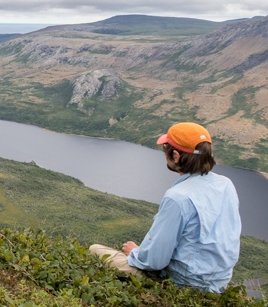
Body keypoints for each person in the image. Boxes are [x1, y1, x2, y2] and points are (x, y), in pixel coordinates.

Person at [90, 122, 241, 293]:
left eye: (165, 150)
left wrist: (135, 253)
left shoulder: (178, 197)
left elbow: (155, 261)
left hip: (184, 285)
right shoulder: (225, 184)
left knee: (94, 250)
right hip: (218, 284)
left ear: (176, 156)